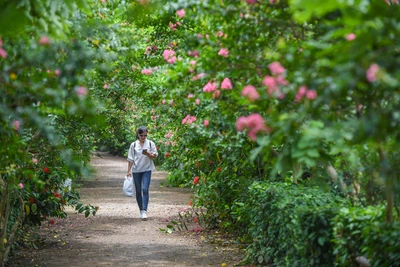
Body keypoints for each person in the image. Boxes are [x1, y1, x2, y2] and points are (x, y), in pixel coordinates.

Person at [127, 126, 158, 220]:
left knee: (145, 189)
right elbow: (130, 158)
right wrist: (129, 170)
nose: (143, 137)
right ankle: (141, 210)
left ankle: (144, 210)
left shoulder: (150, 143)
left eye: (145, 135)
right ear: (138, 135)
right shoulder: (133, 145)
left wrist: (148, 154)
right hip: (136, 170)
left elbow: (155, 156)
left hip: (147, 169)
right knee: (138, 190)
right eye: (141, 135)